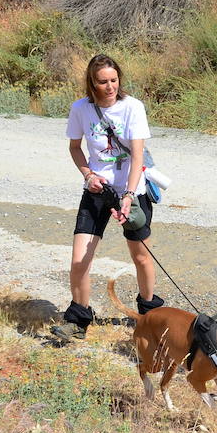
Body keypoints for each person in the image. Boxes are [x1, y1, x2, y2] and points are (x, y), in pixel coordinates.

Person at [50, 54, 162, 343]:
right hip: (97, 191)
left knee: (141, 257)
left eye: (114, 80)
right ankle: (78, 321)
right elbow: (75, 148)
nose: (110, 86)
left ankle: (149, 316)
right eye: (103, 82)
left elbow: (137, 156)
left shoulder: (132, 107)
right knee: (79, 260)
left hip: (131, 192)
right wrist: (88, 175)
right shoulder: (80, 109)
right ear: (92, 83)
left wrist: (127, 196)